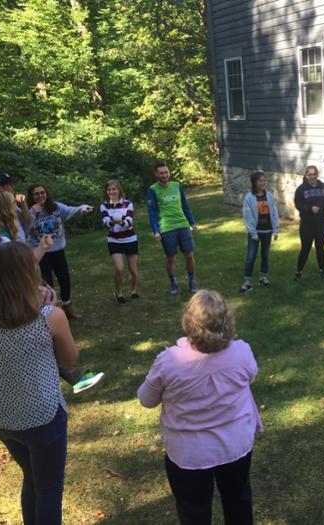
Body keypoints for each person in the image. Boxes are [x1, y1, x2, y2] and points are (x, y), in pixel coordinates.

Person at [0, 241, 80, 525]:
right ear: (30, 271)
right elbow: (69, 360)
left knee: (33, 479)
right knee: (49, 489)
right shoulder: (49, 317)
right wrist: (54, 310)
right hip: (42, 417)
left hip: (1, 417)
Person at [0, 203, 104, 395]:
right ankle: (60, 380)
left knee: (32, 344)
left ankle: (68, 376)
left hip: (13, 305)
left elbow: (23, 265)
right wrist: (21, 292)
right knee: (16, 354)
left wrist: (41, 251)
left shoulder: (1, 242)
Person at [138, 290, 262, 524]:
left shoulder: (169, 361)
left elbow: (146, 399)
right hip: (234, 445)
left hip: (189, 453)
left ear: (188, 322)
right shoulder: (242, 352)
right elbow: (250, 377)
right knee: (238, 501)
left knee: (194, 510)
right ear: (227, 320)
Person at [26, 184, 94, 320]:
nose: (40, 196)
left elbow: (71, 210)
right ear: (31, 197)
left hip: (57, 250)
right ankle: (51, 314)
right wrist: (32, 212)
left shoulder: (56, 207)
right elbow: (25, 228)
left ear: (47, 193)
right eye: (36, 194)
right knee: (47, 283)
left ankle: (68, 308)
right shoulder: (29, 211)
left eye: (43, 193)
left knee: (65, 280)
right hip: (40, 253)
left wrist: (83, 208)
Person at [147, 162, 199, 295]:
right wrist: (155, 230)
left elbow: (185, 205)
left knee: (189, 254)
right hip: (166, 228)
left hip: (183, 225)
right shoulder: (152, 190)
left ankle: (192, 282)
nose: (164, 175)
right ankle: (173, 284)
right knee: (170, 258)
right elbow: (152, 211)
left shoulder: (176, 186)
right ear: (156, 174)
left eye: (166, 172)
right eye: (161, 173)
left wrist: (192, 223)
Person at [100, 180, 139, 303]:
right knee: (119, 268)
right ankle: (119, 293)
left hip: (130, 239)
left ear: (119, 190)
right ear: (106, 192)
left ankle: (133, 290)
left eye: (114, 189)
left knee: (133, 270)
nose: (111, 192)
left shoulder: (128, 204)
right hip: (114, 240)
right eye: (109, 190)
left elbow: (129, 222)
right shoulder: (104, 206)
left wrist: (121, 222)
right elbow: (107, 223)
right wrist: (113, 221)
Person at [240, 171, 279, 293]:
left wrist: (275, 229)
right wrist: (253, 232)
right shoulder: (249, 198)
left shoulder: (270, 196)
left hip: (267, 231)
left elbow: (274, 213)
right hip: (255, 232)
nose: (263, 183)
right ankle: (247, 282)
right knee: (251, 256)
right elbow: (247, 216)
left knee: (265, 255)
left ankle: (263, 277)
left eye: (264, 180)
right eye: (260, 181)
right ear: (254, 183)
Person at [294, 165, 324, 281]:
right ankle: (299, 272)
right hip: (307, 223)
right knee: (305, 248)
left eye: (314, 174)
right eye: (310, 174)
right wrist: (310, 208)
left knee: (320, 247)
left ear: (317, 175)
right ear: (306, 175)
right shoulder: (301, 189)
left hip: (322, 223)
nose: (312, 176)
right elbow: (298, 204)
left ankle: (322, 270)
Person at [0, 171, 31, 239]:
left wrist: (23, 203)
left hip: (20, 244)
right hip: (9, 246)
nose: (13, 187)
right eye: (10, 185)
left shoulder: (12, 202)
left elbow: (28, 220)